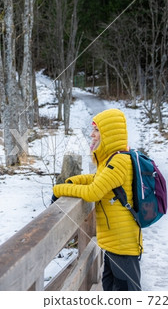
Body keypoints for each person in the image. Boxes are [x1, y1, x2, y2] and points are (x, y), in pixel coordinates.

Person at [52, 108, 142, 291]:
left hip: (122, 243)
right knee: (110, 287)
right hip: (114, 241)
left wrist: (59, 189)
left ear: (108, 133)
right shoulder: (111, 159)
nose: (92, 135)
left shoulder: (119, 161)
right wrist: (73, 180)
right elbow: (97, 180)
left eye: (97, 130)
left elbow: (94, 191)